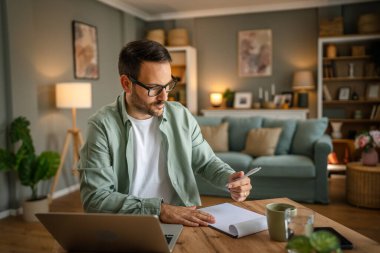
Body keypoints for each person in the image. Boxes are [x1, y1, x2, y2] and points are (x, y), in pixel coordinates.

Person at [78, 40, 252, 227]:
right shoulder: (101, 126)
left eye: (168, 85)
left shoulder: (181, 115)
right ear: (126, 84)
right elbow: (96, 198)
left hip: (183, 219)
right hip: (130, 225)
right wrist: (160, 209)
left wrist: (230, 178)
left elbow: (206, 162)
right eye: (154, 88)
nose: (164, 97)